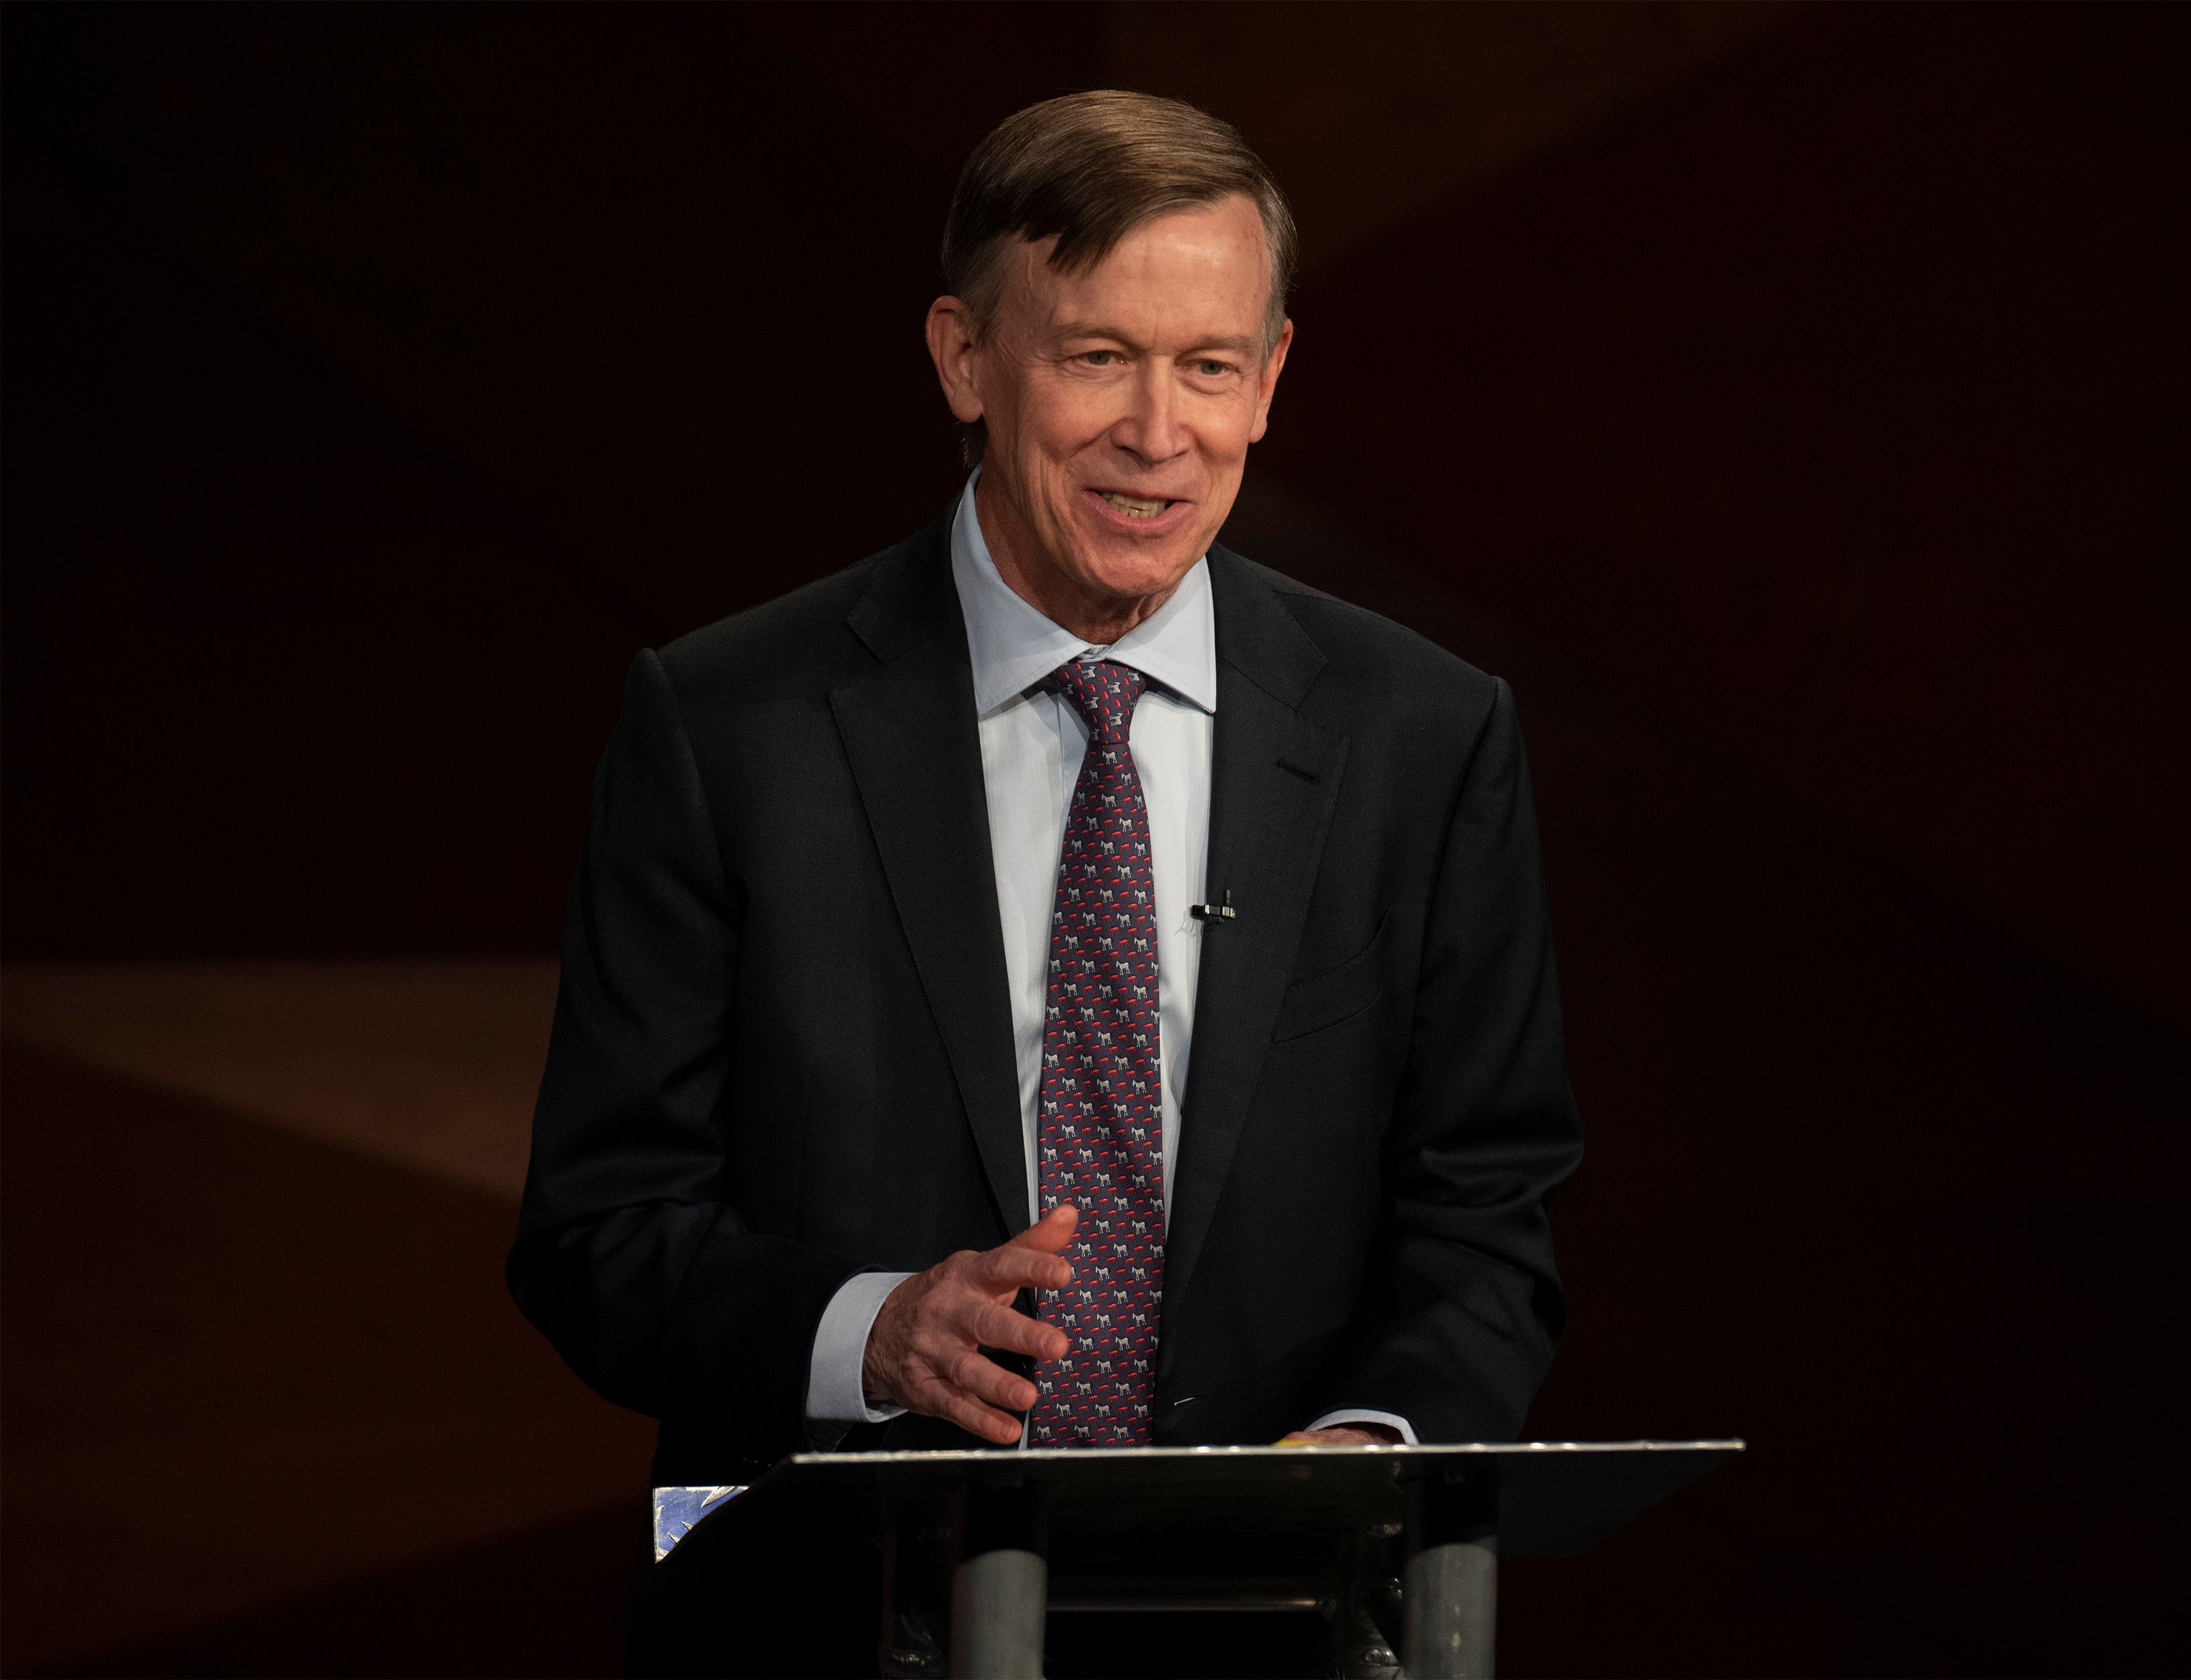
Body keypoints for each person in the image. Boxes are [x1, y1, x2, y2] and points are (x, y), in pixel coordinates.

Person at [509, 89, 1581, 1672]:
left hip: (1276, 1628)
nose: (1160, 433)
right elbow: (597, 1231)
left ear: (1272, 378)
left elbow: (1489, 1207)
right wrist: (868, 1329)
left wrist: (1372, 1445)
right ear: (963, 359)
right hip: (829, 1624)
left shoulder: (1423, 736)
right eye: (1097, 357)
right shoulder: (733, 725)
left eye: (1210, 365)